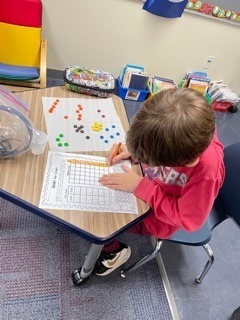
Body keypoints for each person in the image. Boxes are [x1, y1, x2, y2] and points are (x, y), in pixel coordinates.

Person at [93, 87, 225, 276]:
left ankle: (114, 251)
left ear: (187, 162)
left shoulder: (206, 172)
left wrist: (141, 186)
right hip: (147, 184)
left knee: (101, 215)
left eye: (153, 159)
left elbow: (190, 220)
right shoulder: (190, 133)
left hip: (159, 218)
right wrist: (136, 150)